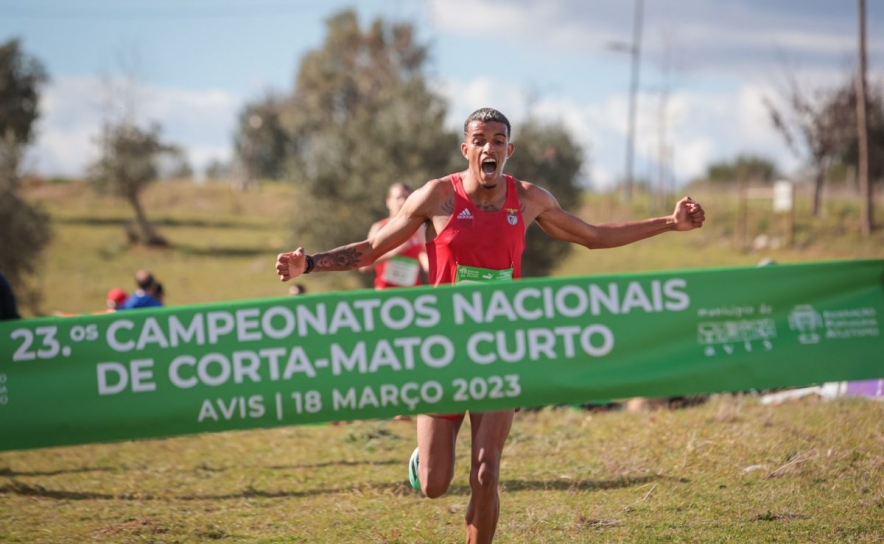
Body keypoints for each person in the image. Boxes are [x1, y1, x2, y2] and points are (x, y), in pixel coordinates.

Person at [275, 107, 706, 544]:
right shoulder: (437, 197)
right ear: (466, 149)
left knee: (486, 470)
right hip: (441, 350)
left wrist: (669, 223)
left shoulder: (530, 198)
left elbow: (592, 235)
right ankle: (422, 458)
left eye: (498, 140)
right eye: (479, 140)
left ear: (509, 150)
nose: (489, 147)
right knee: (435, 484)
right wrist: (309, 263)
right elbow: (371, 249)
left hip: (500, 350)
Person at [359, 183, 428, 289]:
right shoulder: (379, 228)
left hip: (412, 294)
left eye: (407, 198)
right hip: (386, 295)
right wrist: (393, 253)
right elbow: (364, 267)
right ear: (388, 202)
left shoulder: (419, 228)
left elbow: (425, 258)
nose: (403, 202)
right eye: (399, 198)